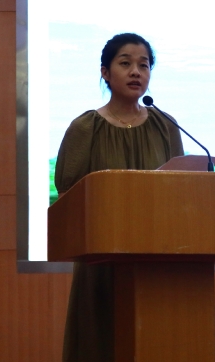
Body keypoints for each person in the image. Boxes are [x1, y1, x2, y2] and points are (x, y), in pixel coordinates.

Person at [54, 33, 184, 362]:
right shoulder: (86, 128)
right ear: (105, 72)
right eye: (125, 63)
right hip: (102, 261)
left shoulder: (166, 126)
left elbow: (183, 187)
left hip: (158, 258)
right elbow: (68, 195)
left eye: (144, 65)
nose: (136, 72)